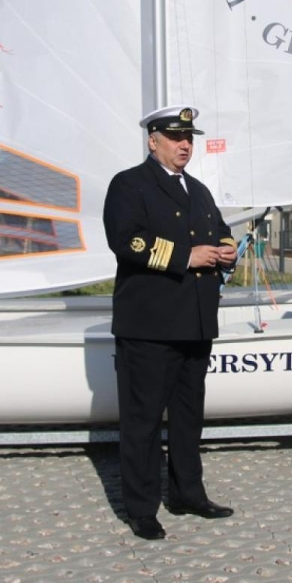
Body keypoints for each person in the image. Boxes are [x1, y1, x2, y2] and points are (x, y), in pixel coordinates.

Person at [103, 105, 238, 540]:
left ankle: (187, 494)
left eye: (189, 138)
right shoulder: (129, 185)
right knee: (142, 422)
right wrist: (186, 256)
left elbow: (219, 230)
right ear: (152, 140)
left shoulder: (197, 190)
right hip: (150, 325)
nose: (185, 145)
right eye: (175, 137)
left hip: (196, 323)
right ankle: (140, 508)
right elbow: (127, 241)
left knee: (187, 417)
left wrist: (227, 248)